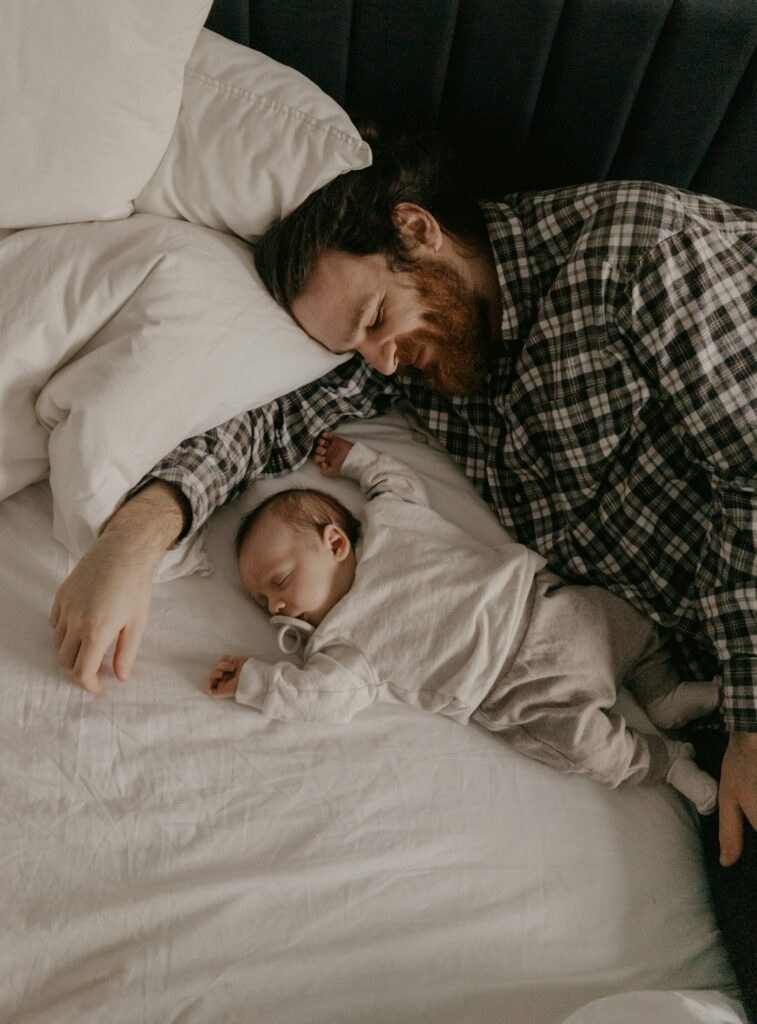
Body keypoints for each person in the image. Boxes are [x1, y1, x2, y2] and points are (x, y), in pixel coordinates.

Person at [50, 132, 756, 874]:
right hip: (699, 685)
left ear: (417, 230)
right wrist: (132, 540)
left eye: (374, 321)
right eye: (358, 351)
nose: (382, 363)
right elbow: (260, 420)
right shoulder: (419, 361)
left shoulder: (632, 252)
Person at [205, 432, 720, 814]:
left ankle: (665, 694)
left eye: (279, 581)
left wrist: (355, 458)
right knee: (589, 749)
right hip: (515, 689)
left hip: (542, 606)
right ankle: (667, 761)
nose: (275, 605)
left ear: (335, 542)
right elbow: (318, 699)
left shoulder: (390, 522)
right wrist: (254, 681)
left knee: (625, 623)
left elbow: (394, 480)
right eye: (263, 600)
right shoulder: (340, 647)